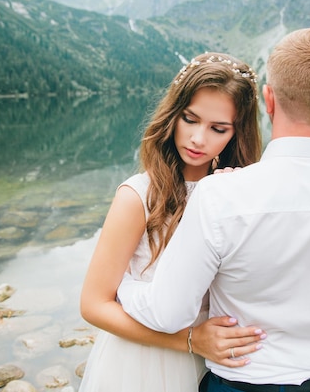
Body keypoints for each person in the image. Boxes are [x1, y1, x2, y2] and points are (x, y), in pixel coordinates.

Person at [117, 28, 310, 392]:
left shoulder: (219, 195)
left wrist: (126, 287)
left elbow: (169, 314)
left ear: (269, 100)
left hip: (239, 384)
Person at [79, 52, 266, 392]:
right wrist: (191, 341)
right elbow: (93, 305)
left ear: (236, 134)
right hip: (143, 362)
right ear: (172, 115)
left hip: (216, 364)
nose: (198, 138)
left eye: (217, 128)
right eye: (190, 119)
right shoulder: (138, 196)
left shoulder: (241, 192)